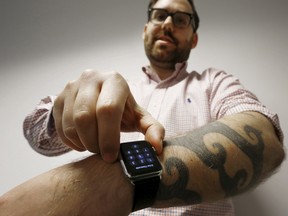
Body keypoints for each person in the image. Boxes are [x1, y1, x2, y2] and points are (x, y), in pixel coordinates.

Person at [3, 0, 284, 215]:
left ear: (193, 38)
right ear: (145, 29)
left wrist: (111, 184)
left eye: (181, 18)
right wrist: (64, 112)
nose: (167, 24)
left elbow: (264, 140)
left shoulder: (215, 83)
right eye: (159, 15)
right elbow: (37, 135)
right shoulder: (114, 92)